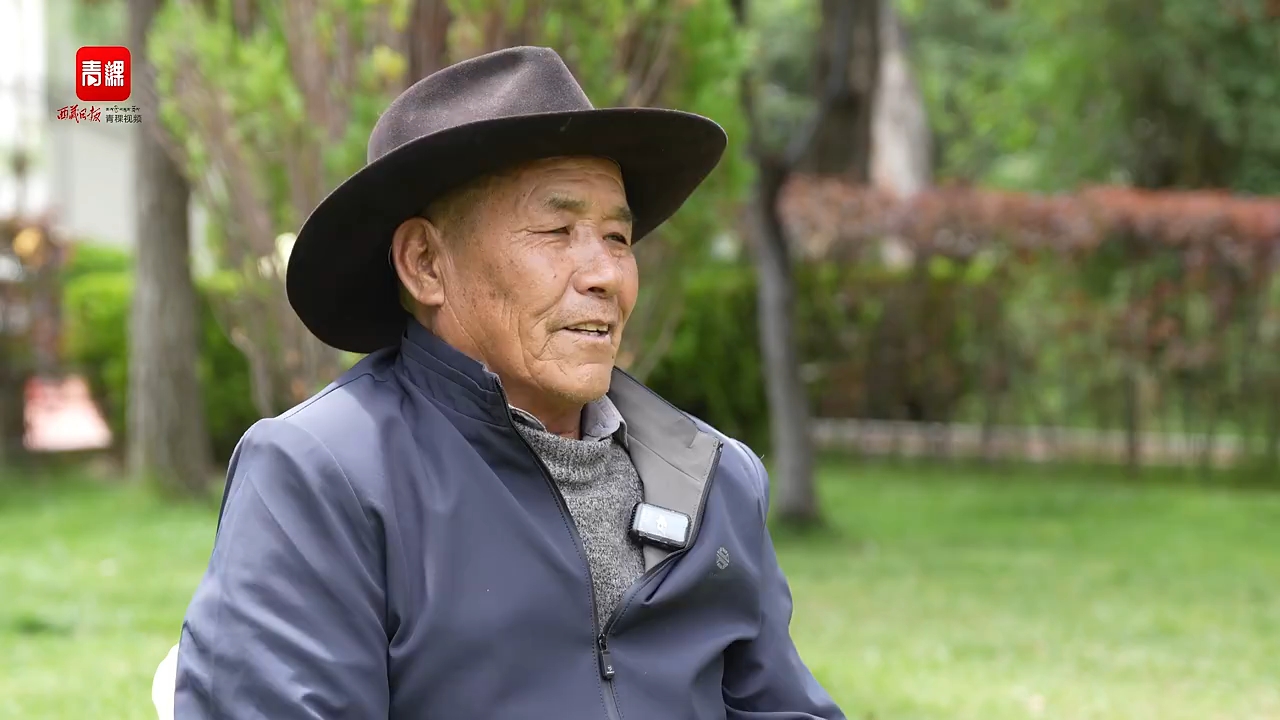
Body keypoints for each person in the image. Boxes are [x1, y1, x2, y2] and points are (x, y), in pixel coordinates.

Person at [170, 45, 845, 720]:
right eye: (556, 229)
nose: (605, 275)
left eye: (617, 237)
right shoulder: (324, 477)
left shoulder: (712, 476)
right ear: (425, 263)